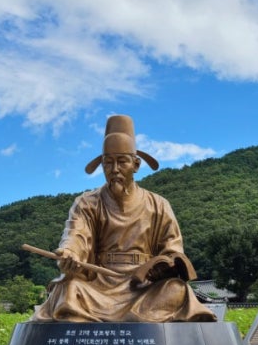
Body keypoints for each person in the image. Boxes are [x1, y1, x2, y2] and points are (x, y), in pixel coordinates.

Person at [32, 114, 217, 323]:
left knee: (177, 290)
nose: (115, 170)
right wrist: (70, 252)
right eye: (108, 163)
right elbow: (76, 234)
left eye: (122, 162)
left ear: (136, 165)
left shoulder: (158, 204)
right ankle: (136, 320)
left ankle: (133, 317)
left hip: (144, 287)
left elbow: (172, 249)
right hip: (98, 284)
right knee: (67, 288)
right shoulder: (86, 202)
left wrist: (165, 265)